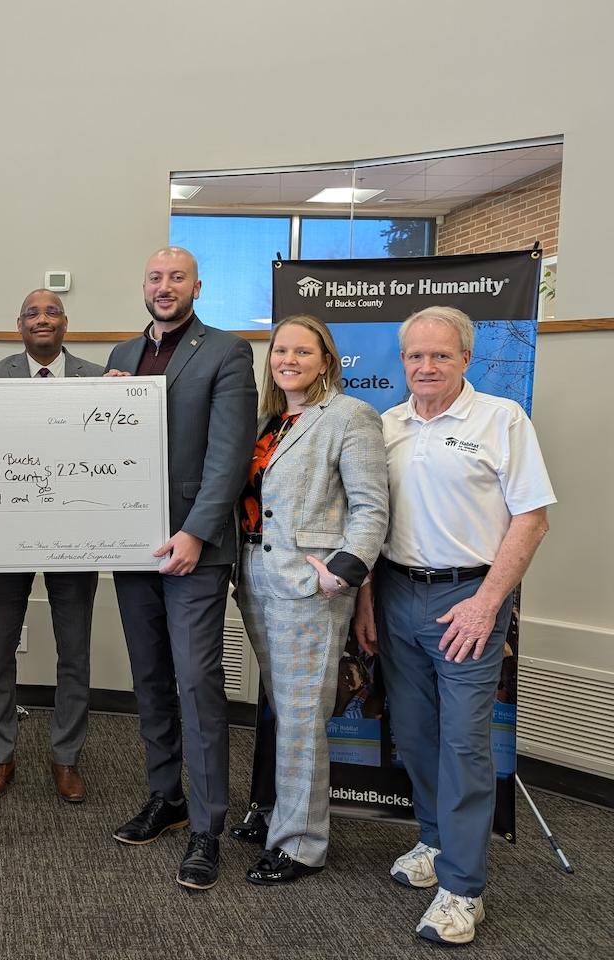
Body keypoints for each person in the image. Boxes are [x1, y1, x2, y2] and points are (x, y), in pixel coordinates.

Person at [354, 305, 553, 945]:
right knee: (413, 735)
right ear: (402, 360)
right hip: (395, 592)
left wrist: (488, 600)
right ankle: (436, 845)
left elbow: (531, 519)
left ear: (466, 359)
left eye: (440, 355)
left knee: (465, 744)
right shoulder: (386, 426)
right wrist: (365, 603)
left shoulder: (503, 420)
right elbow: (372, 522)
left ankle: (463, 889)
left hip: (469, 598)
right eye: (415, 355)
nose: (426, 366)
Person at [105, 247, 257, 890]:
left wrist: (195, 531)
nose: (165, 287)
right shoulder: (119, 357)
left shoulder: (225, 352)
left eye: (177, 278)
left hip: (193, 549)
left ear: (199, 285)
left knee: (197, 683)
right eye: (155, 277)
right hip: (129, 545)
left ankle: (206, 826)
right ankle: (165, 798)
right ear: (143, 285)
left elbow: (231, 456)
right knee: (150, 678)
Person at [233, 314, 388, 885]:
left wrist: (340, 575)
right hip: (255, 574)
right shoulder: (269, 421)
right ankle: (281, 813)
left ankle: (301, 843)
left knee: (301, 714)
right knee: (284, 705)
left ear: (326, 359)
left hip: (310, 585)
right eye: (279, 350)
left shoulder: (349, 416)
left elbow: (371, 508)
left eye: (303, 350)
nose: (288, 359)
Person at [0, 289, 103, 803]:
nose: (42, 319)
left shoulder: (100, 379)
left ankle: (66, 757)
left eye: (52, 312)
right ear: (19, 324)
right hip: (7, 535)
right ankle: (0, 755)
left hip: (75, 536)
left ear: (66, 322)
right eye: (33, 312)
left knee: (74, 651)